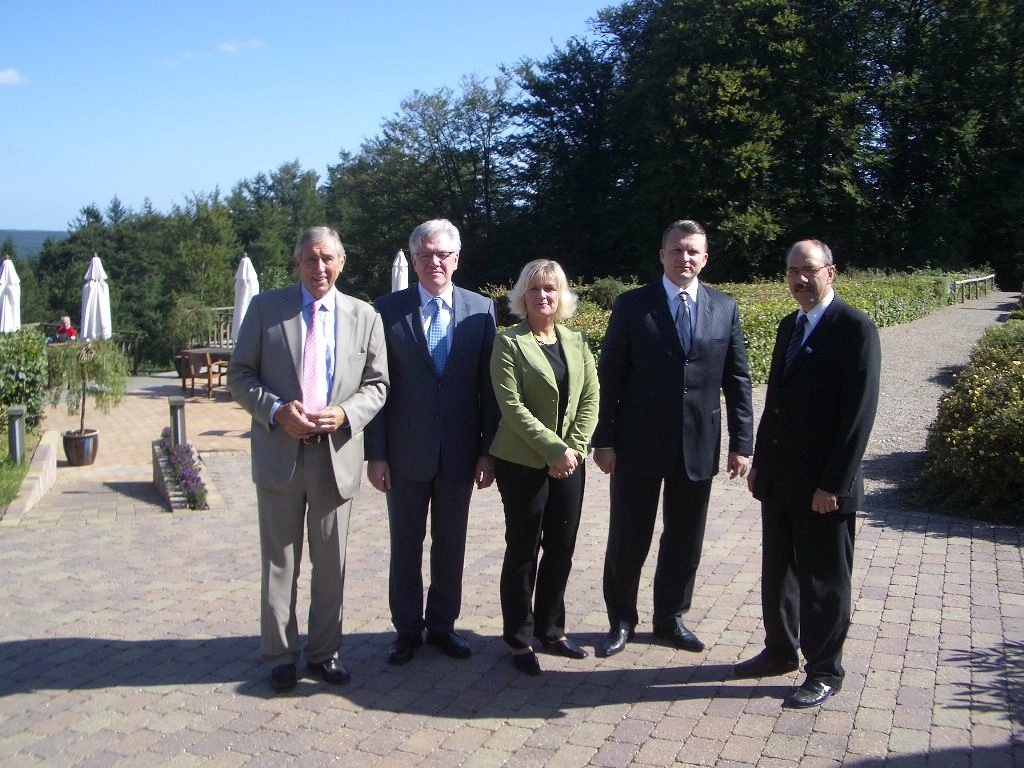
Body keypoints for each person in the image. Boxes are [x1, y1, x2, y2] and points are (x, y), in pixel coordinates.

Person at [227, 226, 388, 693]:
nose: (320, 268)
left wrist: (344, 413)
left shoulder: (364, 315)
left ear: (342, 263)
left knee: (331, 562)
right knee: (280, 560)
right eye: (311, 259)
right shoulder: (264, 309)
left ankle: (323, 653)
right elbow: (240, 376)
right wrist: (276, 411)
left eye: (328, 259)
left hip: (335, 457)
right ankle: (279, 654)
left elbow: (378, 384)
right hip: (280, 454)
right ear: (296, 263)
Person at [593, 219, 754, 657]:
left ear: (705, 258)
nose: (685, 258)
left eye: (693, 252)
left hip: (698, 443)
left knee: (685, 537)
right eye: (677, 250)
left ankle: (671, 618)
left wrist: (743, 442)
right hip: (636, 443)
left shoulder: (725, 307)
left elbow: (737, 379)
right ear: (662, 255)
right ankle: (621, 620)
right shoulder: (632, 306)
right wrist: (603, 439)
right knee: (629, 535)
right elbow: (610, 376)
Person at [734, 239, 880, 708]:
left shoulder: (854, 328)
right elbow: (776, 402)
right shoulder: (788, 326)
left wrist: (832, 484)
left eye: (809, 270)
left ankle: (824, 670)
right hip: (780, 480)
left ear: (830, 272)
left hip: (823, 486)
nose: (800, 279)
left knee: (825, 581)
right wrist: (761, 464)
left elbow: (857, 417)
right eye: (793, 271)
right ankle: (779, 650)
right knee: (778, 573)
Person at [365, 218, 499, 666]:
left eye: (442, 254)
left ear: (456, 259)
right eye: (425, 254)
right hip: (404, 454)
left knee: (451, 544)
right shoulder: (384, 310)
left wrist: (486, 450)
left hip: (460, 453)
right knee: (405, 544)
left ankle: (442, 625)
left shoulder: (482, 310)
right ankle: (406, 630)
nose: (434, 262)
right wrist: (376, 454)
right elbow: (376, 388)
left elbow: (489, 387)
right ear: (414, 260)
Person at [489, 260, 599, 675]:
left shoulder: (578, 340)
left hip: (571, 462)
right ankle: (519, 638)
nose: (543, 296)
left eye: (550, 289)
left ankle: (551, 630)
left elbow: (591, 396)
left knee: (562, 548)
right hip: (521, 462)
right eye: (534, 290)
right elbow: (511, 408)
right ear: (522, 296)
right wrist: (553, 450)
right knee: (522, 550)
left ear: (562, 295)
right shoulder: (509, 343)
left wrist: (572, 449)